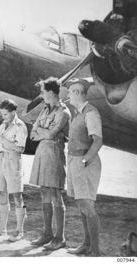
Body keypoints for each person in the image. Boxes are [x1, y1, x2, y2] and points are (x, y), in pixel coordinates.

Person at [29, 78, 70, 250]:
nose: (42, 95)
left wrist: (42, 132)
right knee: (44, 192)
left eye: (43, 92)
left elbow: (51, 134)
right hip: (42, 153)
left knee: (54, 194)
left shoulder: (64, 112)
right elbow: (32, 134)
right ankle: (47, 233)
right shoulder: (45, 110)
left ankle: (60, 238)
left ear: (52, 93)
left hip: (54, 154)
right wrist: (43, 133)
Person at [65, 78, 103, 256]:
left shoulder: (90, 112)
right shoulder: (78, 113)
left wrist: (85, 160)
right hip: (75, 160)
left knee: (86, 205)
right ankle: (86, 244)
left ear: (79, 93)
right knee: (81, 203)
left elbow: (98, 140)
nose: (68, 95)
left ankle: (95, 251)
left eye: (71, 92)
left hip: (84, 161)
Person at [0, 99, 28, 242]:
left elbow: (20, 148)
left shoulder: (20, 126)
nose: (3, 117)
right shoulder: (3, 125)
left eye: (5, 114)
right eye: (2, 114)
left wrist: (3, 140)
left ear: (13, 112)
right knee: (1, 193)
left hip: (13, 160)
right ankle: (2, 228)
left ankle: (19, 230)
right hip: (2, 159)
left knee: (17, 195)